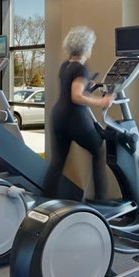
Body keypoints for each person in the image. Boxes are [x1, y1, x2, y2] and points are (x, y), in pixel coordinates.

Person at [43, 25, 115, 201]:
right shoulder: (81, 69)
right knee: (98, 150)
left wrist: (86, 87)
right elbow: (75, 97)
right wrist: (102, 102)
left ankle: (45, 200)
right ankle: (100, 199)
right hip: (73, 119)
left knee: (57, 162)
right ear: (86, 47)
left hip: (58, 117)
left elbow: (70, 90)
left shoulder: (65, 66)